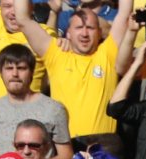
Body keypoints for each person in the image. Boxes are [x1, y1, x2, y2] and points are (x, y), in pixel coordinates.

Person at [13, 0, 131, 144]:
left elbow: (125, 13)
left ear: (100, 33)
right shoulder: (56, 54)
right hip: (66, 149)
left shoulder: (108, 54)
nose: (84, 33)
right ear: (68, 33)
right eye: (79, 27)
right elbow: (23, 20)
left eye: (90, 28)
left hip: (104, 150)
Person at [0, 44, 72, 159]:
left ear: (31, 73)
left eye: (21, 68)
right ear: (0, 73)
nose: (15, 74)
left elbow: (66, 157)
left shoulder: (53, 109)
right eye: (9, 68)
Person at [0, 0, 54, 101]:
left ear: (31, 8)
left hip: (27, 113)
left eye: (18, 7)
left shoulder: (43, 34)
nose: (13, 12)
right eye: (7, 6)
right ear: (0, 8)